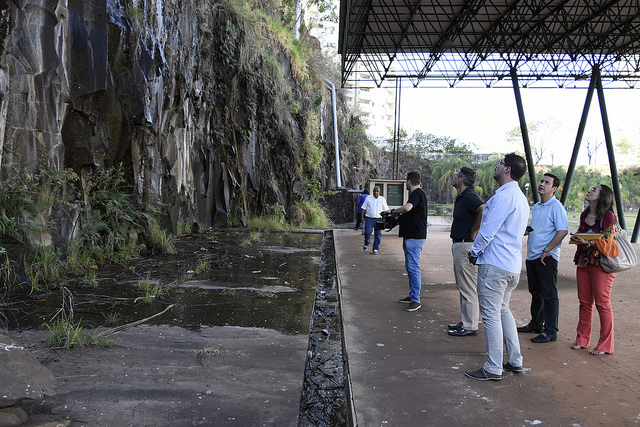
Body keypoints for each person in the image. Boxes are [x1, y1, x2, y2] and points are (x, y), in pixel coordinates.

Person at [464, 153, 529, 381]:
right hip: (511, 264)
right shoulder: (520, 197)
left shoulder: (504, 197)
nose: (497, 166)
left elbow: (488, 230)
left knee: (491, 314)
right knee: (503, 310)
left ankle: (493, 367)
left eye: (500, 163)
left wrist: (474, 252)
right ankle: (515, 360)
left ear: (507, 169)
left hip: (495, 264)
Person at [518, 173, 568, 343]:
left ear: (554, 189)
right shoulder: (539, 206)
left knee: (549, 294)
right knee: (536, 292)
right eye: (542, 181)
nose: (542, 184)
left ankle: (551, 331)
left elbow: (562, 231)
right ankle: (536, 324)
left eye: (547, 183)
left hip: (546, 257)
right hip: (533, 255)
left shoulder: (556, 206)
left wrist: (547, 250)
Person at [568, 184, 616, 355]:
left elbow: (608, 240)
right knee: (585, 303)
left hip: (601, 265)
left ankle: (605, 344)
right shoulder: (585, 214)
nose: (589, 191)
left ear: (603, 196)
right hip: (583, 262)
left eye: (594, 190)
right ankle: (582, 339)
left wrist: (588, 242)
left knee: (603, 304)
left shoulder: (608, 216)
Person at [448, 167, 485, 337]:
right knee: (463, 285)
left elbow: (483, 209)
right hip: (459, 244)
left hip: (465, 245)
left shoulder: (470, 195)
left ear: (461, 179)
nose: (454, 178)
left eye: (456, 176)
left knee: (468, 287)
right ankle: (466, 321)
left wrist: (474, 230)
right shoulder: (463, 196)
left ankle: (470, 326)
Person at [392, 172, 428, 312]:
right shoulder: (418, 194)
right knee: (410, 266)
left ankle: (416, 299)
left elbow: (407, 208)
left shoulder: (417, 193)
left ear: (408, 182)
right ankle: (413, 294)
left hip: (415, 237)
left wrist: (393, 211)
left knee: (413, 267)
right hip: (411, 235)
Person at [361, 186, 389, 254]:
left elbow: (386, 210)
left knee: (378, 235)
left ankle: (375, 248)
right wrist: (362, 218)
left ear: (379, 192)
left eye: (377, 191)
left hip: (378, 219)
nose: (375, 192)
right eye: (374, 191)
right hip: (369, 218)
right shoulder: (368, 198)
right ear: (372, 191)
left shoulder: (382, 199)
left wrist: (384, 218)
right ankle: (366, 242)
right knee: (367, 232)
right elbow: (363, 208)